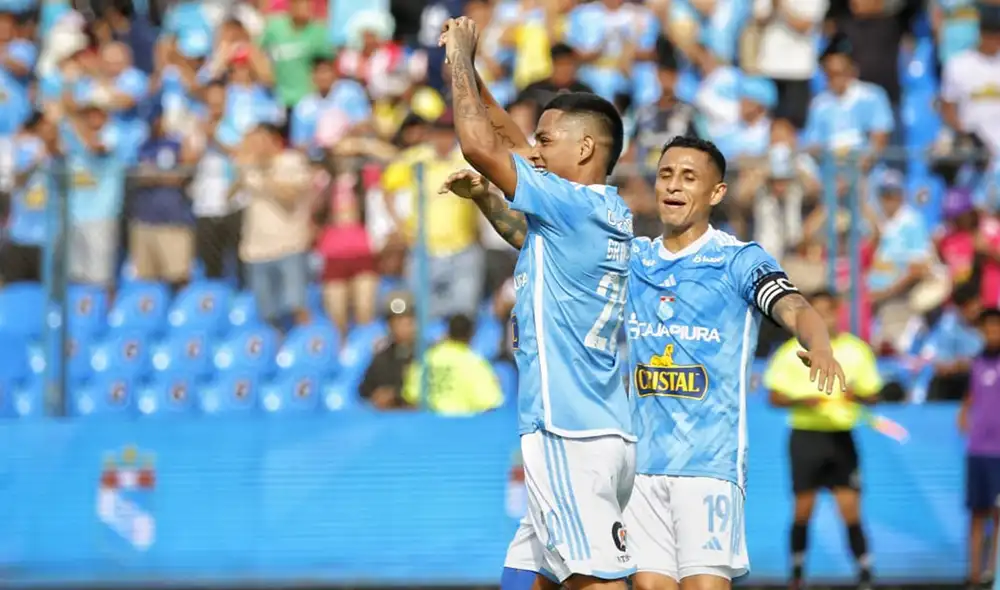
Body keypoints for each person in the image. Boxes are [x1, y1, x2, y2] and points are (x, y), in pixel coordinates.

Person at [438, 16, 636, 590]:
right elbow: (508, 145)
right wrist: (472, 71)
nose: (534, 151)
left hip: (567, 429)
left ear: (587, 147)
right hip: (597, 427)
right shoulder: (599, 211)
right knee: (526, 575)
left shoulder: (570, 203)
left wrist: (457, 64)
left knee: (591, 580)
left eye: (546, 142)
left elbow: (481, 143)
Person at [623, 136, 846, 590]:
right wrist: (493, 201)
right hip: (641, 465)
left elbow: (794, 306)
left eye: (689, 177)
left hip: (709, 464)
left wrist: (818, 342)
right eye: (666, 174)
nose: (673, 185)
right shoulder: (635, 258)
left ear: (716, 192)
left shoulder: (738, 261)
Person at [765, 290, 881, 590]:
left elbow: (873, 394)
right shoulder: (790, 351)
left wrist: (856, 395)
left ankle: (865, 574)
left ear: (838, 311)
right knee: (803, 508)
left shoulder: (856, 350)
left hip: (840, 437)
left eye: (828, 311)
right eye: (816, 312)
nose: (823, 318)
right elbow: (774, 397)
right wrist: (807, 401)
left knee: (850, 508)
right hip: (806, 437)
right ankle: (797, 573)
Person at [959, 307, 1000, 590]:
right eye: (987, 328)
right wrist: (964, 411)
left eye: (996, 327)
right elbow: (972, 396)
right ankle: (974, 576)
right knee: (977, 513)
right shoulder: (976, 363)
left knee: (998, 515)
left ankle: (992, 573)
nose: (992, 333)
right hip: (978, 451)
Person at [402, 314, 504, 415]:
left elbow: (411, 395)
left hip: (429, 425)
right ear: (471, 335)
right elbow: (489, 403)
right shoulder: (474, 362)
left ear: (448, 332)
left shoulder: (426, 358)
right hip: (460, 426)